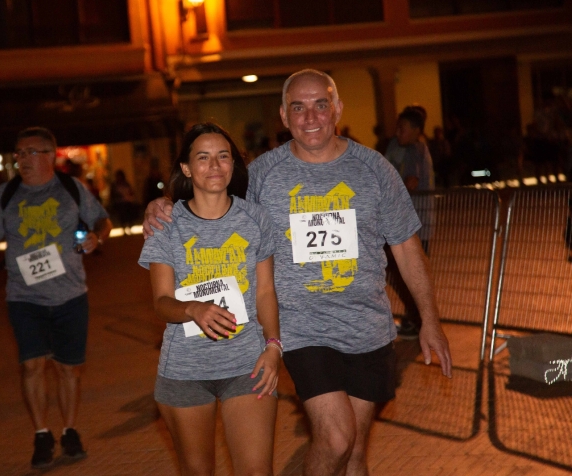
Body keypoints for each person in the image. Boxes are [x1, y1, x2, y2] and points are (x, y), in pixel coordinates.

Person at [144, 69, 452, 476]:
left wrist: (429, 319)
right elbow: (211, 194)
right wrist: (162, 203)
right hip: (301, 330)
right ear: (283, 117)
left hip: (368, 328)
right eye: (298, 108)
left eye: (320, 105)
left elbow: (407, 247)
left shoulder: (374, 169)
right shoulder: (262, 174)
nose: (310, 117)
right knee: (337, 438)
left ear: (337, 109)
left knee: (355, 452)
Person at [139, 122, 281, 475]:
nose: (215, 166)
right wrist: (192, 308)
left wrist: (274, 346)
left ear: (234, 165)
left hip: (247, 363)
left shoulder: (255, 219)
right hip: (186, 369)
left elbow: (265, 290)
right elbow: (160, 301)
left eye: (223, 157)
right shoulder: (167, 224)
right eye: (203, 158)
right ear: (187, 169)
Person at [0, 127, 112, 469]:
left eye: (28, 152)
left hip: (70, 294)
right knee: (32, 365)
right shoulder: (6, 194)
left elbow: (102, 220)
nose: (21, 160)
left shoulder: (70, 188)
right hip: (24, 297)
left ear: (49, 155)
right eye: (17, 154)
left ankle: (69, 430)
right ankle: (41, 433)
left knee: (68, 369)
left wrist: (96, 237)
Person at [385, 105, 436, 339]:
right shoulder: (396, 147)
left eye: (403, 129)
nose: (398, 133)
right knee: (392, 270)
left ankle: (420, 320)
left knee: (412, 271)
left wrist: (385, 197)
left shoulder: (417, 150)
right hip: (399, 223)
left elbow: (412, 182)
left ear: (416, 130)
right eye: (397, 128)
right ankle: (414, 315)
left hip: (417, 223)